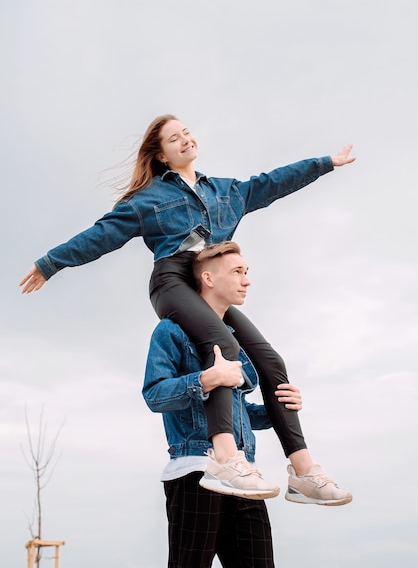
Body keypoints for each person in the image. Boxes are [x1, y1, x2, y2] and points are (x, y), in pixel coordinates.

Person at [19, 115, 355, 502]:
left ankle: (304, 472)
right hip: (173, 282)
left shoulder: (228, 192)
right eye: (173, 139)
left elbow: (274, 182)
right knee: (221, 349)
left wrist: (325, 163)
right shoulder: (148, 200)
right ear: (161, 155)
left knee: (270, 361)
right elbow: (101, 235)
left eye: (186, 133)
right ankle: (226, 459)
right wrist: (50, 263)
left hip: (209, 287)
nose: (184, 140)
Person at [142, 242, 306, 567]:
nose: (246, 280)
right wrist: (205, 379)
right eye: (237, 272)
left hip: (244, 476)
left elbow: (236, 412)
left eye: (246, 272)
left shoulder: (237, 341)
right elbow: (155, 394)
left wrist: (279, 411)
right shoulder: (171, 331)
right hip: (195, 471)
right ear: (208, 278)